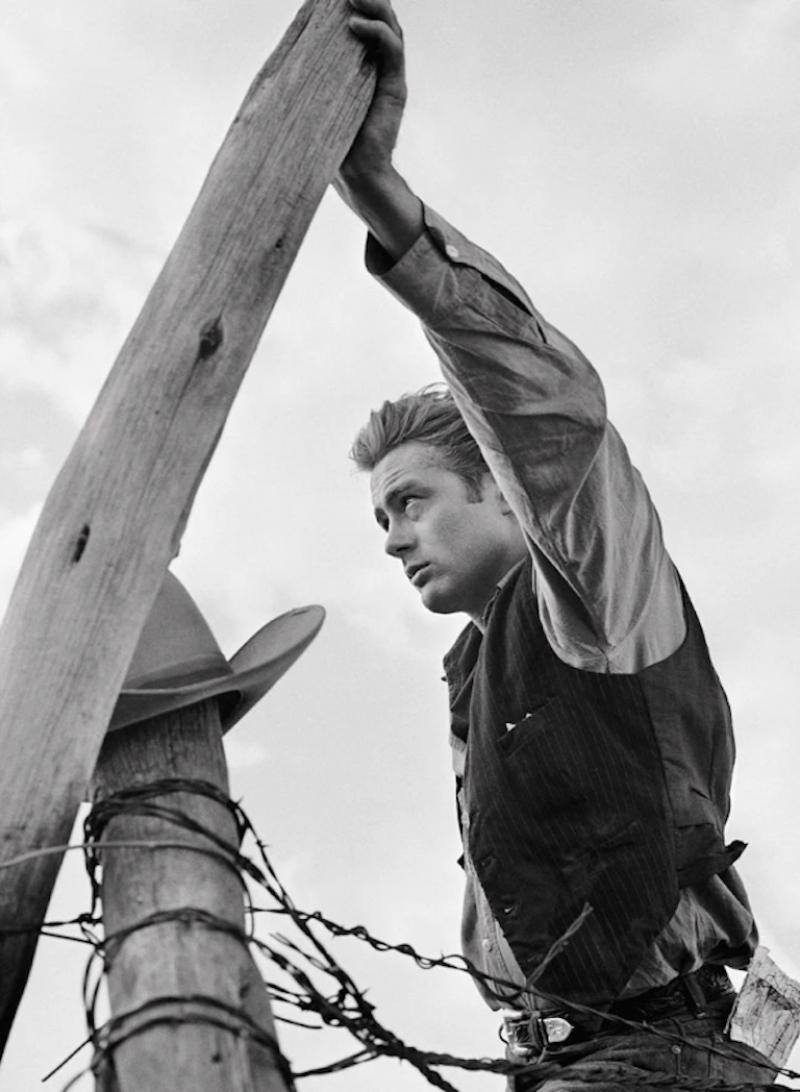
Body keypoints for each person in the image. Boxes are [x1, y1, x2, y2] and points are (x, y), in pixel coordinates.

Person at [336, 1, 777, 1088]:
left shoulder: (591, 591)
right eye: (379, 519)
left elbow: (552, 418)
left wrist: (390, 210)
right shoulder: (481, 663)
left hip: (657, 1058)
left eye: (408, 500)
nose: (391, 540)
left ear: (501, 489)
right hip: (564, 1065)